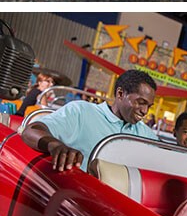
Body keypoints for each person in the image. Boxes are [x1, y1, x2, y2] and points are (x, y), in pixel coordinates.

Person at [21, 69, 158, 172]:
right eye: (140, 102)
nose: (144, 111)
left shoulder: (145, 134)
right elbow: (31, 131)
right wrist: (55, 146)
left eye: (149, 106)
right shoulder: (81, 112)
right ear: (120, 94)